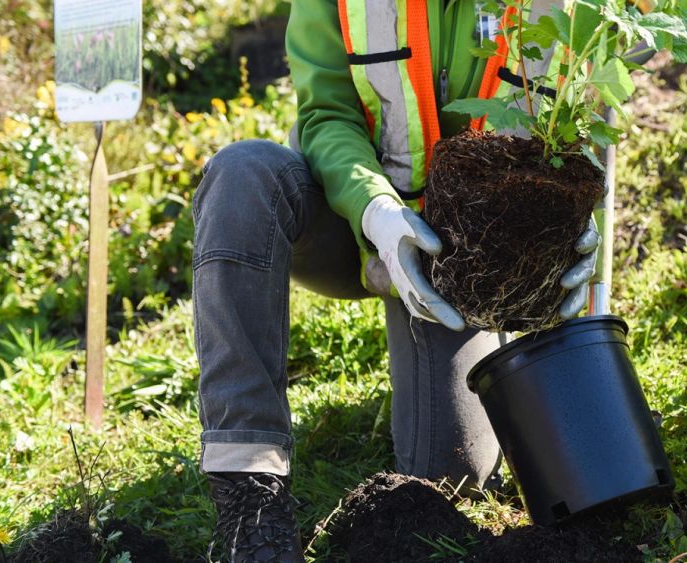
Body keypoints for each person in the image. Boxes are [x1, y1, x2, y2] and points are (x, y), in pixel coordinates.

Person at [192, 1, 596, 560]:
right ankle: (249, 491)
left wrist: (570, 211)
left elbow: (581, 106)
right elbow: (325, 116)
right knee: (243, 175)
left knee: (452, 478)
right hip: (352, 219)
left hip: (466, 268)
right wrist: (378, 214)